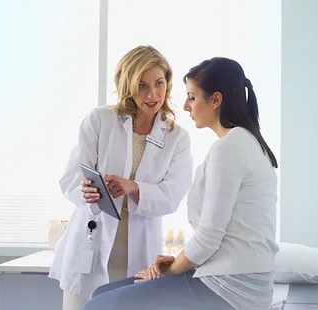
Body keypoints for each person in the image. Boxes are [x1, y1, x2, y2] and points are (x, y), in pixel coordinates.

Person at [84, 57, 279, 310]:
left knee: (97, 305)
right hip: (230, 276)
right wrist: (179, 262)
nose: (186, 105)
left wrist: (172, 270)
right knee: (103, 292)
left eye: (193, 97)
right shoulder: (247, 143)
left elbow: (209, 236)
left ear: (216, 100)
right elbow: (230, 233)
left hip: (229, 289)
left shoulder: (229, 148)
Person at [49, 45, 194, 310]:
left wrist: (133, 187)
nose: (152, 94)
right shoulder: (101, 120)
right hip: (92, 244)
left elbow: (172, 196)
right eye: (142, 85)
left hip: (139, 249)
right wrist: (85, 192)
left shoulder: (176, 137)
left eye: (159, 83)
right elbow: (70, 177)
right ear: (127, 85)